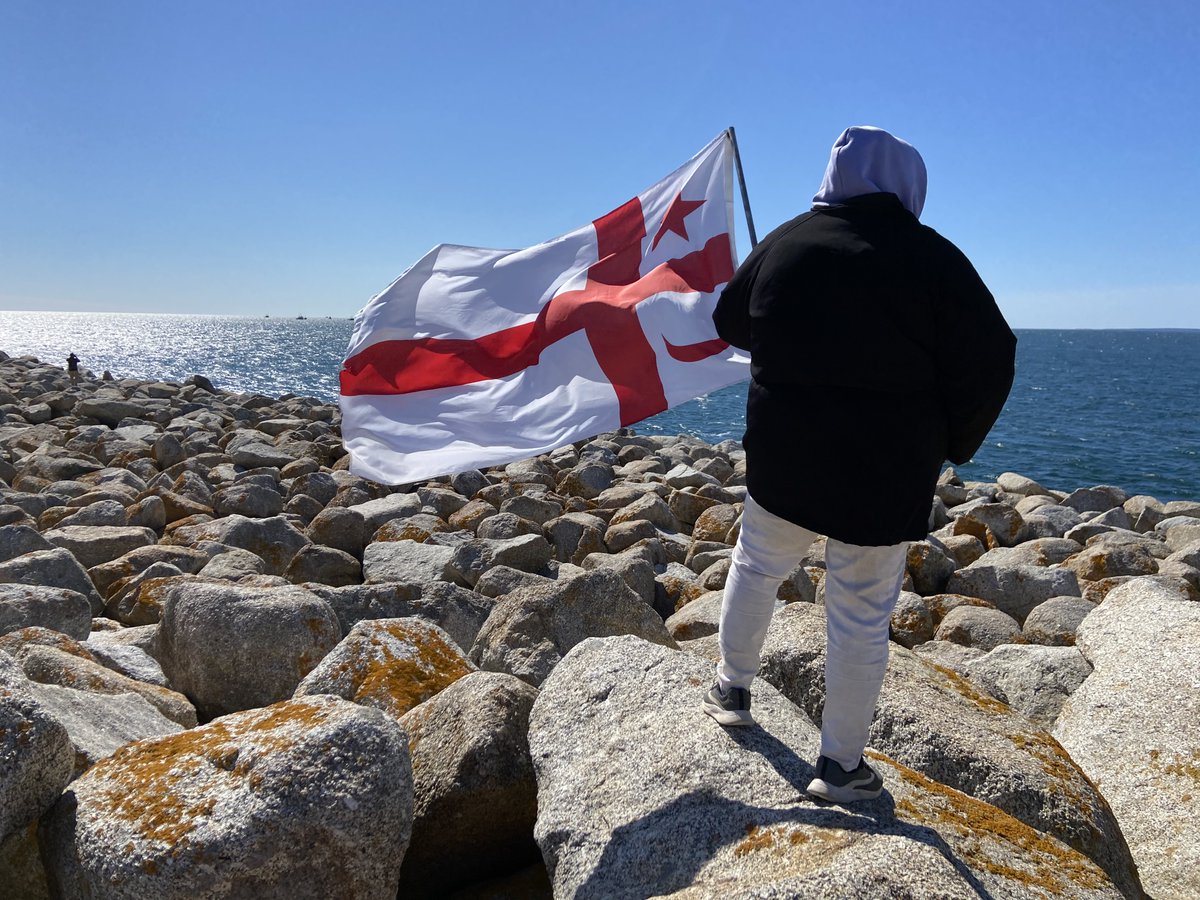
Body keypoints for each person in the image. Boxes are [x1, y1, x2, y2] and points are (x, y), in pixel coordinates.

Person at [702, 126, 1016, 804]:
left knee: (756, 567)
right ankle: (840, 766)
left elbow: (729, 321)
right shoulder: (934, 258)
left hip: (784, 457)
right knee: (861, 616)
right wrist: (954, 441)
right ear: (906, 184)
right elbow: (993, 358)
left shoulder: (786, 241)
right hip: (884, 471)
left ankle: (731, 689)